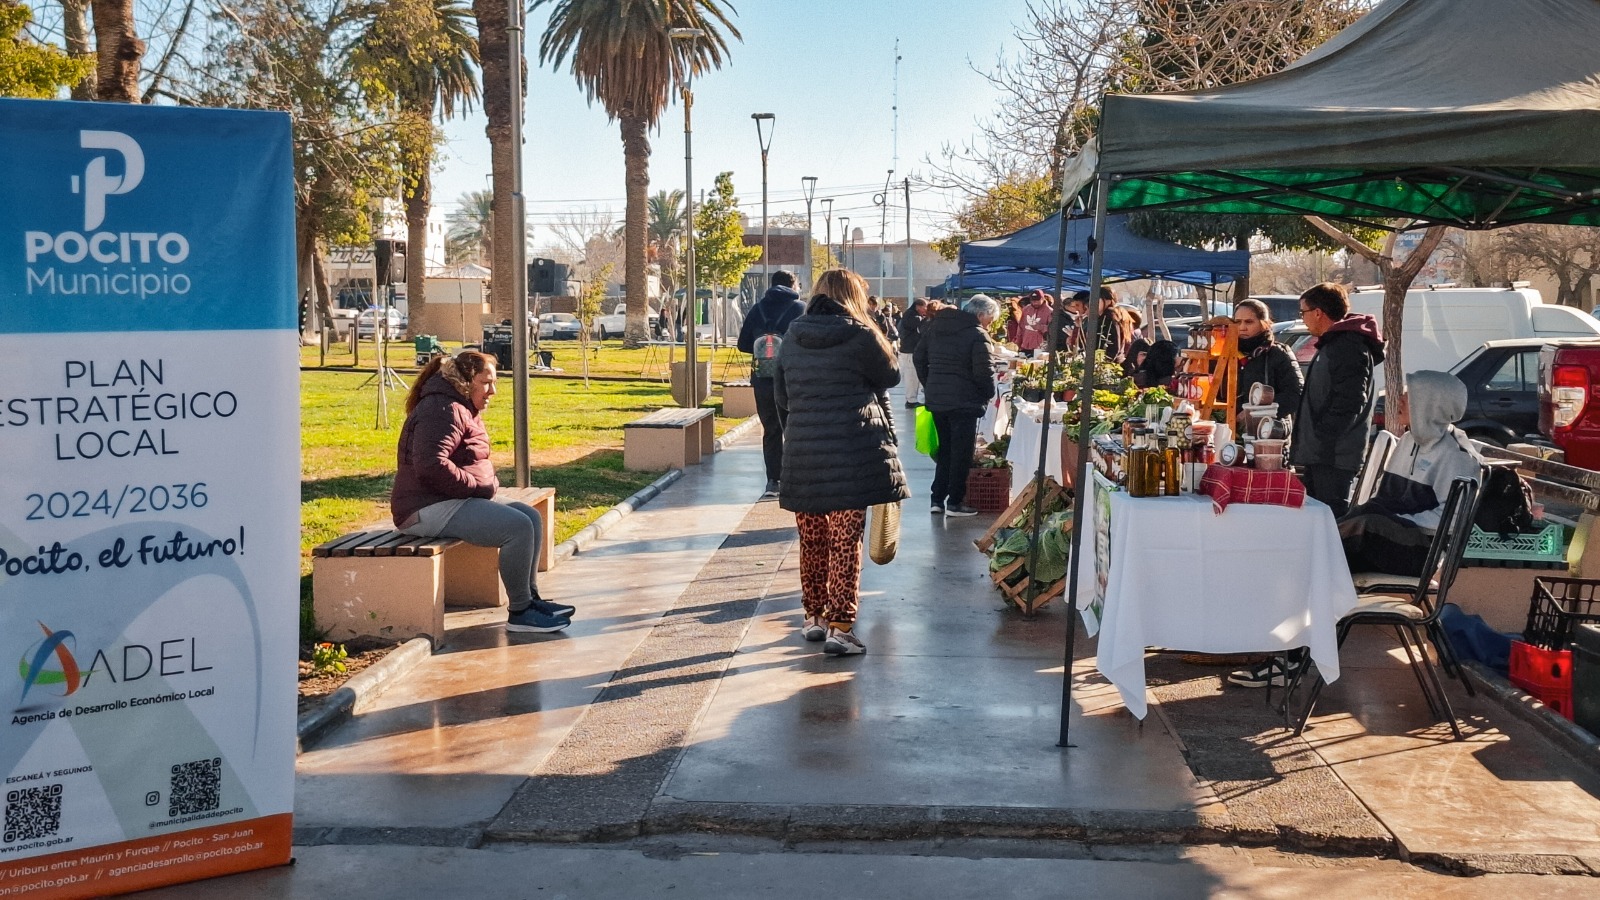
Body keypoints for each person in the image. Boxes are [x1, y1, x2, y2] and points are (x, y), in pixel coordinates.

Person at [774, 269, 909, 656]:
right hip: (854, 452)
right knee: (845, 541)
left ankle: (813, 617)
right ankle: (841, 626)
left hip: (803, 453)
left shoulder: (793, 336)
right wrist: (877, 330)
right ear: (853, 297)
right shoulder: (862, 335)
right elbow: (891, 376)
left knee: (812, 538)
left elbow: (782, 398)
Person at [391, 350, 574, 633]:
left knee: (530, 516)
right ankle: (521, 612)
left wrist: (479, 488)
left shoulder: (460, 406)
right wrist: (476, 487)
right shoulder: (443, 409)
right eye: (486, 383)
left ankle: (530, 599)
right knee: (517, 527)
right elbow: (430, 465)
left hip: (448, 499)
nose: (493, 391)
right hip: (423, 509)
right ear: (465, 382)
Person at [1338, 371, 1482, 577]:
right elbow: (1382, 501)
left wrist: (1397, 519)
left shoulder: (1458, 456)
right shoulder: (1407, 440)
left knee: (1365, 524)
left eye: (1410, 395)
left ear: (1430, 403)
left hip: (1422, 551)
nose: (1401, 400)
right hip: (1389, 535)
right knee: (1360, 518)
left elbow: (1451, 521)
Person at [1290, 282, 1384, 518]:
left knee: (1331, 522)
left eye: (1304, 312)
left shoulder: (1347, 345)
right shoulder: (1333, 343)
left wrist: (1322, 438)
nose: (1303, 319)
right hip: (1320, 454)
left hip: (1333, 457)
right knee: (1315, 519)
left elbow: (1350, 401)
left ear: (1318, 312)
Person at [915, 294, 1000, 518]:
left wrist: (930, 383)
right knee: (961, 452)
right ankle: (954, 501)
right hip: (965, 400)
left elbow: (918, 357)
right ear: (981, 315)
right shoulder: (977, 334)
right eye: (989, 320)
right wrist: (988, 393)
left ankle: (936, 499)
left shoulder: (935, 327)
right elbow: (984, 371)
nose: (988, 324)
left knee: (945, 450)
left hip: (939, 399)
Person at [737, 270, 807, 500]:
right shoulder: (800, 309)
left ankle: (773, 481)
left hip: (763, 378)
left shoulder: (758, 309)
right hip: (792, 377)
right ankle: (796, 478)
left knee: (771, 429)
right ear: (793, 284)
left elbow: (743, 344)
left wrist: (765, 346)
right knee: (794, 428)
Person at [1232, 299, 1304, 417]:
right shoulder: (1224, 354)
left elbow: (1295, 394)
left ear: (1264, 324)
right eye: (1237, 322)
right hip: (1228, 429)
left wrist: (1256, 411)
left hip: (1268, 430)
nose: (1242, 327)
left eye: (1249, 322)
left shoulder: (1278, 353)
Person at [898, 298, 930, 408]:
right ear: (918, 306)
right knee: (911, 376)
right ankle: (911, 400)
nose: (925, 310)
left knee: (914, 375)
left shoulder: (911, 315)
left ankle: (912, 399)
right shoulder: (911, 316)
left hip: (911, 350)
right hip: (909, 351)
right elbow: (920, 325)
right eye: (924, 307)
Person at [1015, 289, 1053, 357]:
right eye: (1033, 300)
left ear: (1043, 299)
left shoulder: (1049, 311)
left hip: (1040, 348)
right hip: (1025, 345)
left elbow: (1053, 329)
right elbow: (1021, 327)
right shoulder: (1026, 309)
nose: (1035, 303)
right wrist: (1017, 343)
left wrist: (1040, 327)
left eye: (1037, 300)